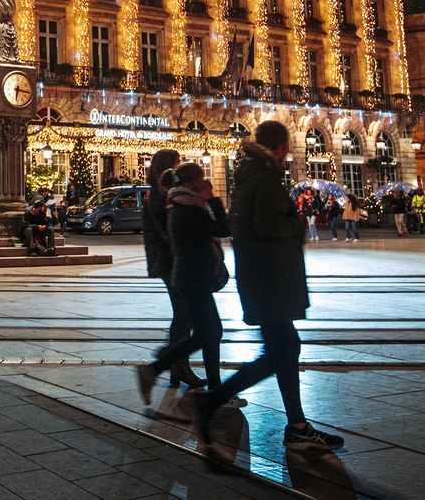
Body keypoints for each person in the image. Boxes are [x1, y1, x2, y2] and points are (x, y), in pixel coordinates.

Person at [195, 120, 343, 453]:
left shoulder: (250, 175)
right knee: (282, 350)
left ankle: (297, 426)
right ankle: (214, 401)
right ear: (278, 147)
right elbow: (271, 228)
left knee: (284, 349)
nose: (288, 154)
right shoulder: (264, 179)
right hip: (271, 280)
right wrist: (295, 227)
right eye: (286, 147)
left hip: (264, 279)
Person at [137, 164, 240, 407]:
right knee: (210, 332)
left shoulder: (182, 202)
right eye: (202, 179)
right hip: (193, 277)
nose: (205, 183)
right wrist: (212, 199)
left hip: (192, 276)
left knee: (209, 332)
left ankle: (156, 369)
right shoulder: (186, 205)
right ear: (194, 182)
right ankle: (158, 369)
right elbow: (221, 228)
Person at [140, 148, 205, 390]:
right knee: (184, 312)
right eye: (177, 164)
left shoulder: (158, 192)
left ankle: (176, 365)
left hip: (167, 259)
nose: (178, 168)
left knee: (183, 312)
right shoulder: (161, 194)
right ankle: (172, 361)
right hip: (170, 260)